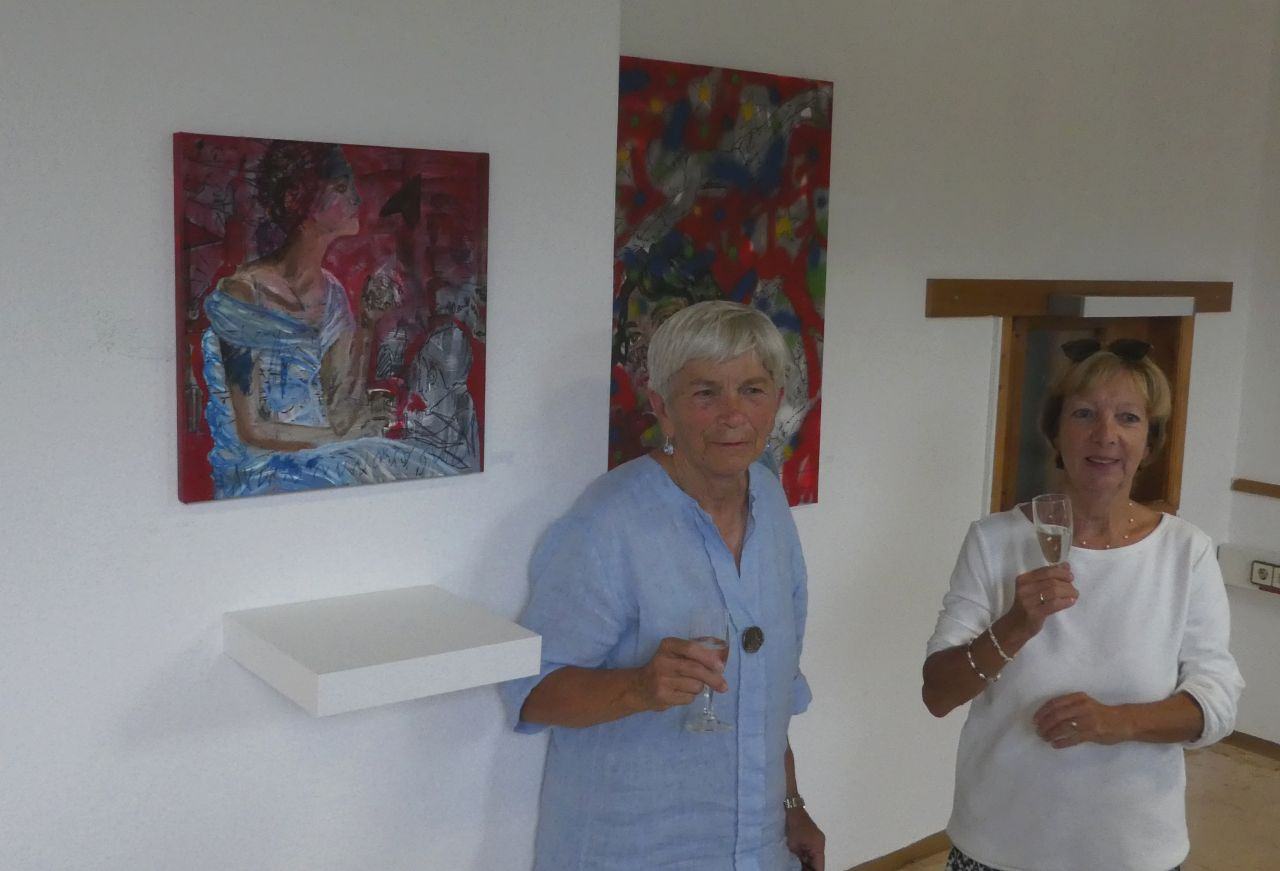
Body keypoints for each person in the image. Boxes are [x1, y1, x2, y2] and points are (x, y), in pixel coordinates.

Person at [502, 300, 825, 870]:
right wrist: (637, 688)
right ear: (663, 408)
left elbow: (769, 690)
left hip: (753, 848)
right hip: (633, 849)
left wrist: (791, 805)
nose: (733, 415)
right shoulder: (607, 523)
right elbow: (532, 691)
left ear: (777, 399)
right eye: (705, 393)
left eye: (752, 390)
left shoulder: (771, 503)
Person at [921, 338, 1244, 871]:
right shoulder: (994, 541)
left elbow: (1218, 701)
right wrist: (1015, 626)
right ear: (1056, 431)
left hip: (1133, 850)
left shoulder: (1185, 552)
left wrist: (1117, 722)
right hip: (1001, 846)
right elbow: (937, 693)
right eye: (1085, 413)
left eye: (1128, 418)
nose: (1105, 435)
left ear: (1150, 441)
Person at [201, 140, 453, 497]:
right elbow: (252, 429)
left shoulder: (332, 293)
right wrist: (343, 440)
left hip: (322, 454)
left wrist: (367, 323)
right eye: (340, 187)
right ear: (295, 198)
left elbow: (342, 411)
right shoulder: (243, 293)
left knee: (416, 470)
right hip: (262, 469)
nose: (357, 199)